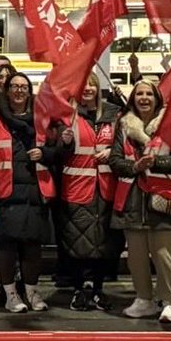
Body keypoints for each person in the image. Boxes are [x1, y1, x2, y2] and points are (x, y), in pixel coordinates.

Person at [109, 79, 171, 324]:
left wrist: (156, 162)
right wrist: (135, 166)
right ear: (133, 99)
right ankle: (144, 299)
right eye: (139, 94)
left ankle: (168, 301)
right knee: (136, 256)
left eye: (149, 94)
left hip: (164, 200)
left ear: (157, 99)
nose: (144, 98)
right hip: (132, 200)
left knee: (164, 256)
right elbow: (115, 160)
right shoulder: (123, 125)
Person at [0, 72, 59, 314]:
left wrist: (45, 154)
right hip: (5, 192)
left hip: (35, 190)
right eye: (15, 86)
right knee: (7, 246)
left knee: (33, 247)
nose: (19, 91)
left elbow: (56, 151)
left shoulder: (42, 120)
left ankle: (31, 292)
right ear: (7, 91)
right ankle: (11, 294)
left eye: (24, 87)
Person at [59, 73, 119, 312]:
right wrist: (64, 143)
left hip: (105, 189)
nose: (88, 89)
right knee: (76, 244)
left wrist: (111, 152)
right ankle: (78, 291)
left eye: (92, 85)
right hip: (76, 188)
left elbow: (123, 145)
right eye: (83, 85)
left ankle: (97, 290)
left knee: (103, 245)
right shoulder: (67, 115)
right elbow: (56, 151)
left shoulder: (113, 114)